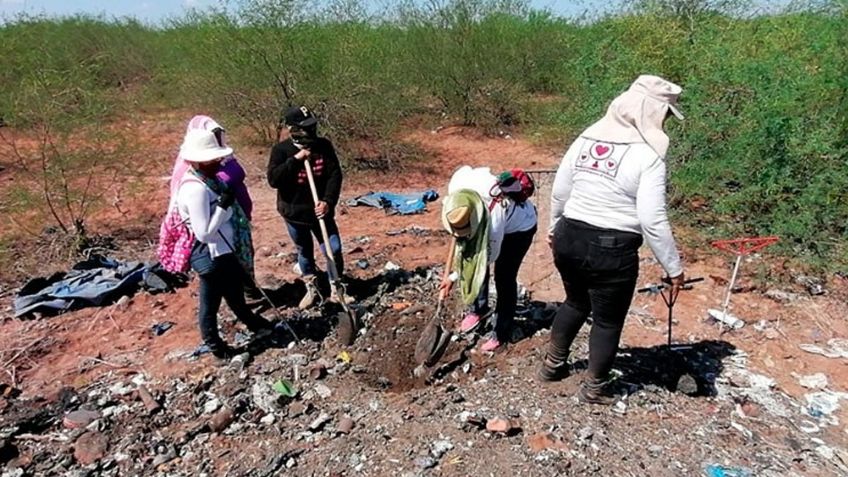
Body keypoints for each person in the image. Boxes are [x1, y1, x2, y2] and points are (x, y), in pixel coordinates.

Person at [537, 75, 686, 404]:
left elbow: (560, 191)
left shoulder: (587, 138)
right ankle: (595, 387)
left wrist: (554, 229)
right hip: (611, 249)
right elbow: (652, 219)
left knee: (575, 302)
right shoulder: (647, 156)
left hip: (569, 237)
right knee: (607, 321)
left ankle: (552, 367)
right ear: (652, 113)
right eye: (664, 115)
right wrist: (673, 268)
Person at [176, 128, 273, 359]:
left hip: (223, 250)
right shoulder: (195, 189)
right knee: (210, 304)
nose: (218, 162)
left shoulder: (206, 181)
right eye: (212, 158)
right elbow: (204, 233)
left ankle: (257, 325)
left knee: (235, 294)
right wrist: (223, 208)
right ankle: (217, 348)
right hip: (211, 254)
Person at [440, 166, 537, 351]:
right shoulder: (457, 191)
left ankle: (501, 332)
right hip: (487, 220)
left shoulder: (494, 216)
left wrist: (453, 277)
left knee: (504, 278)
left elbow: (483, 259)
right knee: (472, 257)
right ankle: (478, 309)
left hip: (519, 230)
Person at [169, 115, 261, 301]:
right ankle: (245, 297)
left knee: (241, 258)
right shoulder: (193, 182)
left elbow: (236, 173)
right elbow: (202, 229)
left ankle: (248, 292)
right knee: (218, 287)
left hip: (232, 224)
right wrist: (223, 207)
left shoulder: (220, 160)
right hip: (215, 238)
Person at [267, 105, 346, 309]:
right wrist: (296, 160)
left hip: (322, 212)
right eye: (304, 127)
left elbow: (334, 175)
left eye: (311, 126)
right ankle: (312, 289)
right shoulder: (281, 151)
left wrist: (328, 201)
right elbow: (274, 179)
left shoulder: (324, 146)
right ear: (293, 129)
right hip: (294, 214)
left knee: (333, 248)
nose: (310, 131)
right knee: (304, 252)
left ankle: (336, 288)